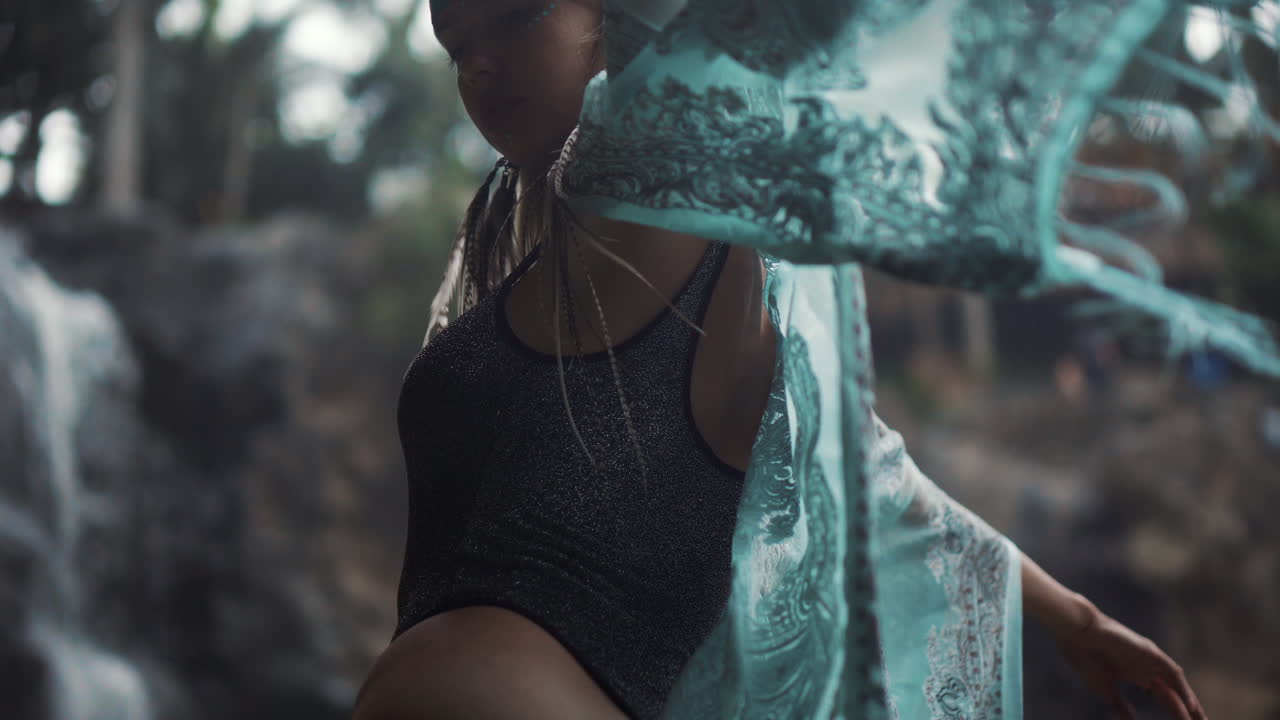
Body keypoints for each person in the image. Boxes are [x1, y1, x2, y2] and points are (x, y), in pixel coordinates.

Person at [349, 1, 1267, 718]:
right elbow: (874, 480)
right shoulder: (524, 262)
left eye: (516, 15)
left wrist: (1076, 616)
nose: (477, 63)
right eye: (453, 43)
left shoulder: (655, 188)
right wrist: (1073, 614)